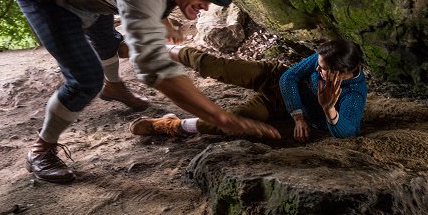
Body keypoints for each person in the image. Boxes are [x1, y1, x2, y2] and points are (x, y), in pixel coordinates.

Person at [14, 0, 280, 184]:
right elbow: (155, 70)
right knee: (85, 80)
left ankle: (114, 87)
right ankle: (41, 150)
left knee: (109, 43)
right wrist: (221, 118)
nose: (207, 7)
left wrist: (161, 21)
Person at [129, 40, 367, 142]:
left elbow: (348, 131)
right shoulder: (326, 58)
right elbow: (289, 77)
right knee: (216, 66)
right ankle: (163, 47)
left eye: (323, 69)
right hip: (274, 77)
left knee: (230, 122)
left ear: (343, 72)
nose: (317, 68)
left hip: (275, 105)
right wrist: (299, 116)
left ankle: (171, 125)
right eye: (318, 63)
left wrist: (329, 109)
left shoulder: (353, 95)